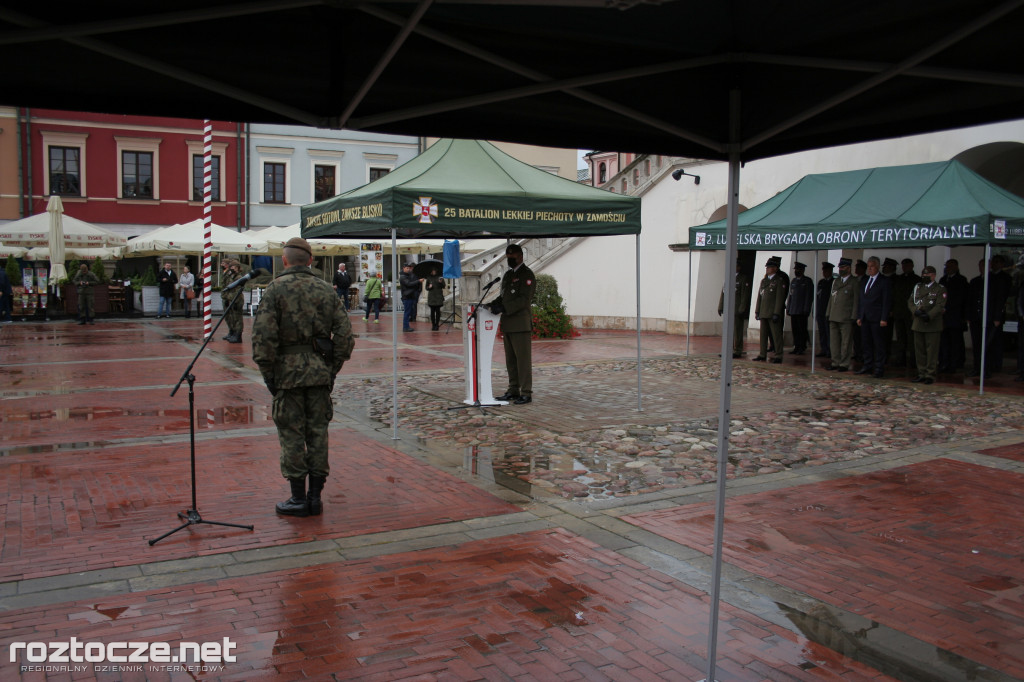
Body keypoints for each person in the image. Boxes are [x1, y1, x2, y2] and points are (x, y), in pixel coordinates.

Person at [252, 236, 354, 518]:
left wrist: (269, 375)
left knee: (292, 435)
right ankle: (315, 498)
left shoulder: (274, 290)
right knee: (319, 434)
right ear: (310, 260)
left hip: (287, 375)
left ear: (284, 261)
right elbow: (345, 336)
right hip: (319, 372)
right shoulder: (326, 290)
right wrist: (331, 369)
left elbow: (263, 339)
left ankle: (298, 498)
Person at [490, 243, 537, 404]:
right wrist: (492, 304)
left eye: (513, 257)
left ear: (521, 257)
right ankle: (513, 389)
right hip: (508, 323)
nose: (510, 260)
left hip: (520, 324)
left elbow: (524, 299)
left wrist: (504, 307)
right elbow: (503, 296)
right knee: (511, 360)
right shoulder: (508, 275)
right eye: (508, 257)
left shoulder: (527, 275)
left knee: (522, 360)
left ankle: (526, 392)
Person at [967, 255, 1011, 379]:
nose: (982, 268)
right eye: (980, 266)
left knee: (987, 345)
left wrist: (997, 317)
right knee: (976, 345)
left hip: (990, 318)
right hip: (976, 318)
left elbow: (999, 300)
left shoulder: (996, 280)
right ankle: (977, 368)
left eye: (985, 266)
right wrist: (969, 316)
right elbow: (970, 300)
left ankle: (986, 369)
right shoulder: (975, 281)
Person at [856, 256, 892, 378]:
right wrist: (860, 315)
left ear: (877, 266)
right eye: (868, 266)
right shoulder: (865, 280)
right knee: (866, 343)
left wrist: (884, 318)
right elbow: (862, 300)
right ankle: (867, 365)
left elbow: (886, 301)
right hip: (865, 317)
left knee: (879, 344)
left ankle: (879, 368)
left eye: (872, 266)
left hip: (877, 318)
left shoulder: (884, 281)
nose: (869, 269)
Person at [910, 265, 946, 384]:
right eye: (923, 275)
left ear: (933, 275)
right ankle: (921, 372)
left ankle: (930, 374)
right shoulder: (918, 287)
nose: (924, 277)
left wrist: (929, 315)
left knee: (931, 351)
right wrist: (915, 310)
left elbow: (940, 305)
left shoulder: (939, 289)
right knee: (919, 350)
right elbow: (910, 301)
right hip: (918, 322)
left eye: (927, 275)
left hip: (932, 324)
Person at [825, 258, 859, 372]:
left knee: (846, 343)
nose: (840, 269)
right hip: (834, 315)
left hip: (846, 316)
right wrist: (828, 312)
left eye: (843, 267)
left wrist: (854, 316)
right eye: (840, 267)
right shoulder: (836, 281)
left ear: (849, 268)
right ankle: (835, 362)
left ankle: (844, 363)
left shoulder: (854, 282)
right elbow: (831, 298)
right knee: (834, 342)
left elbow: (856, 300)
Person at [753, 256, 787, 364]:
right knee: (763, 335)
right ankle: (762, 354)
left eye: (770, 267)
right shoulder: (764, 281)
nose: (767, 269)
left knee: (776, 335)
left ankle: (778, 354)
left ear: (775, 268)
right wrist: (757, 311)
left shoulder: (779, 281)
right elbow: (760, 297)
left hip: (772, 312)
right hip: (764, 311)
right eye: (767, 267)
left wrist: (777, 312)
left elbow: (779, 298)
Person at [938, 258, 968, 372]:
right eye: (946, 266)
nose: (947, 269)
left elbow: (960, 298)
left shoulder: (961, 280)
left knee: (955, 342)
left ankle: (955, 364)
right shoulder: (943, 280)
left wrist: (947, 307)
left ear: (956, 267)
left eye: (950, 266)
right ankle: (944, 362)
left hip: (955, 316)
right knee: (944, 341)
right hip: (943, 316)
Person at [718, 258, 752, 358]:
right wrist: (720, 306)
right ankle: (727, 349)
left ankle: (737, 350)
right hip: (728, 308)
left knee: (737, 331)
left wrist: (742, 308)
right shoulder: (728, 278)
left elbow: (744, 295)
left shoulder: (743, 279)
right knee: (727, 330)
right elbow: (723, 293)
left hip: (736, 308)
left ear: (738, 267)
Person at [890, 258, 920, 367]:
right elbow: (894, 295)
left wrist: (915, 311)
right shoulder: (899, 279)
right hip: (899, 312)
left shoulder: (917, 280)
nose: (905, 268)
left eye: (907, 265)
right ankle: (900, 358)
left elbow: (918, 298)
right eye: (903, 266)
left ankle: (913, 360)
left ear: (911, 266)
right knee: (900, 337)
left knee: (911, 337)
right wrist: (892, 309)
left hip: (910, 313)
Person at [786, 261, 813, 355]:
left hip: (801, 310)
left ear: (802, 270)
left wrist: (806, 309)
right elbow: (791, 296)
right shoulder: (793, 281)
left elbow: (808, 297)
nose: (796, 271)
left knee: (802, 330)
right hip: (793, 310)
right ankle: (796, 346)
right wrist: (788, 308)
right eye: (795, 269)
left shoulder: (807, 281)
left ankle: (802, 346)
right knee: (795, 330)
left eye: (798, 269)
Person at [220, 259, 245, 343]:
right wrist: (226, 298)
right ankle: (232, 332)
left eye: (233, 266)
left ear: (237, 267)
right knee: (231, 317)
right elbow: (227, 287)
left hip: (237, 300)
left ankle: (238, 335)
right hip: (231, 299)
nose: (231, 268)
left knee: (237, 318)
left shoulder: (239, 277)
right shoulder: (231, 276)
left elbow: (237, 291)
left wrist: (232, 300)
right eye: (231, 267)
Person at [815, 262, 834, 358]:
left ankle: (830, 350)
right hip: (821, 310)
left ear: (830, 271)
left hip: (829, 311)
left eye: (826, 270)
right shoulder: (821, 282)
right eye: (823, 270)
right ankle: (824, 348)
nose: (824, 272)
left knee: (829, 332)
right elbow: (817, 297)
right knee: (822, 331)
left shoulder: (833, 282)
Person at [399, 262, 423, 332]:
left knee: (408, 312)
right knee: (407, 313)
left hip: (410, 296)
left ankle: (407, 326)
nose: (409, 269)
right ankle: (405, 327)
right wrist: (418, 281)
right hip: (407, 296)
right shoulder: (403, 277)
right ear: (403, 268)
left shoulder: (408, 275)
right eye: (407, 268)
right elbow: (409, 284)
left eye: (409, 268)